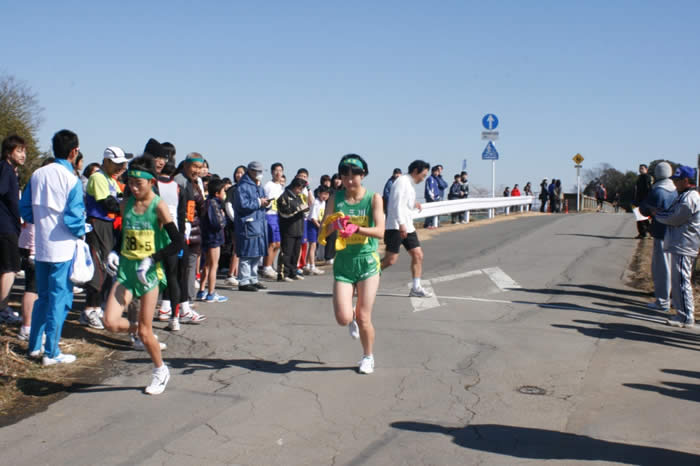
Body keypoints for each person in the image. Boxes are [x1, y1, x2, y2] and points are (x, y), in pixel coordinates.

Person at [103, 156, 185, 394]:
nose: (133, 187)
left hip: (148, 273)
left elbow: (177, 242)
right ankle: (140, 329)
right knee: (109, 321)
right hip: (126, 270)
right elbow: (124, 234)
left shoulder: (158, 206)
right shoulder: (126, 203)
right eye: (130, 182)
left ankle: (160, 370)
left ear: (151, 182)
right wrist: (114, 252)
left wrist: (152, 258)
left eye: (139, 183)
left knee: (146, 332)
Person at [19, 129, 85, 365]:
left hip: (42, 245)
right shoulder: (71, 179)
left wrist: (43, 220)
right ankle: (52, 352)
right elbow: (74, 219)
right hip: (63, 248)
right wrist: (82, 231)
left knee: (43, 298)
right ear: (74, 151)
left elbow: (24, 208)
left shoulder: (38, 174)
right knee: (59, 299)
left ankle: (34, 346)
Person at [321, 154, 385, 374]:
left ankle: (368, 356)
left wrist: (357, 229)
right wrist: (334, 223)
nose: (349, 180)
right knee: (343, 318)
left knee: (364, 316)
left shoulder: (374, 198)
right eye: (345, 175)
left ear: (363, 175)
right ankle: (352, 319)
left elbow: (380, 232)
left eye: (354, 175)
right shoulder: (334, 198)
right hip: (344, 263)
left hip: (367, 261)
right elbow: (324, 228)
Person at [81, 146, 129, 329]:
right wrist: (129, 209)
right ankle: (89, 310)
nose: (120, 167)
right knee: (99, 267)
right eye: (116, 163)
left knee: (108, 268)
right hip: (98, 223)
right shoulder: (98, 177)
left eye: (122, 164)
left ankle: (97, 307)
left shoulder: (110, 179)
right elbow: (109, 203)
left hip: (109, 225)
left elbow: (119, 198)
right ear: (106, 161)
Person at [652, 165, 700, 329]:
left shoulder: (689, 198)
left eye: (677, 180)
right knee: (679, 280)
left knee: (681, 281)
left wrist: (657, 215)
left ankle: (686, 317)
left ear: (686, 181)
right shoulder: (686, 196)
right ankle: (682, 314)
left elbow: (675, 217)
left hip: (685, 244)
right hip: (682, 243)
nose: (675, 184)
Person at [381, 160, 433, 298]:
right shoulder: (402, 181)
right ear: (415, 171)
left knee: (418, 255)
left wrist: (414, 204)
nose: (424, 178)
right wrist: (401, 224)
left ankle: (416, 287)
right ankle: (364, 279)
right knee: (390, 260)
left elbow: (405, 202)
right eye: (423, 174)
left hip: (408, 226)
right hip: (396, 226)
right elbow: (396, 204)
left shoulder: (409, 184)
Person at [173, 153, 207, 323]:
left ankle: (184, 304)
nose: (198, 171)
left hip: (193, 229)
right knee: (183, 269)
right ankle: (180, 306)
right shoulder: (179, 181)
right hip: (183, 230)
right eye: (195, 167)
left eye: (200, 167)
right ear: (186, 165)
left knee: (189, 267)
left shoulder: (195, 182)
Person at [639, 162, 677, 312]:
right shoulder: (676, 190)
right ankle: (675, 299)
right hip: (676, 233)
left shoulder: (657, 191)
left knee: (661, 268)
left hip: (661, 232)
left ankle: (662, 300)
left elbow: (643, 208)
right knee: (674, 268)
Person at [0, 135, 26, 323]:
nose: (23, 154)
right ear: (9, 152)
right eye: (19, 150)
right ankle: (2, 309)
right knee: (9, 269)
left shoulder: (10, 171)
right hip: (6, 226)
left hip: (9, 224)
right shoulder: (6, 170)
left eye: (24, 150)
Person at [234, 161, 270, 291]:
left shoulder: (258, 186)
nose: (260, 174)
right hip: (248, 224)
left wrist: (266, 203)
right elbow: (242, 205)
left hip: (259, 223)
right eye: (257, 171)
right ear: (250, 171)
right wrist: (259, 202)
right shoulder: (243, 186)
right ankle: (243, 281)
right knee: (247, 254)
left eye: (261, 171)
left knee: (256, 253)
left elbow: (262, 201)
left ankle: (253, 279)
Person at [197, 178, 228, 302]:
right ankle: (211, 293)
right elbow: (218, 223)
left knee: (206, 265)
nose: (224, 194)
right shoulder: (214, 204)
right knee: (214, 265)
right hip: (214, 238)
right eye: (223, 191)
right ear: (217, 193)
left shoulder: (206, 202)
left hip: (205, 236)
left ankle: (201, 290)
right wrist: (224, 218)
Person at [277, 177, 309, 281]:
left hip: (298, 228)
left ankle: (292, 272)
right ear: (294, 186)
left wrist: (305, 209)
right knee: (286, 252)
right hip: (288, 229)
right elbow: (284, 213)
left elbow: (303, 209)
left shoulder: (298, 197)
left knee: (295, 253)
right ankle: (283, 274)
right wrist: (297, 209)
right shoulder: (284, 197)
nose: (300, 190)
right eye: (300, 188)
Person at [224, 165, 246, 286]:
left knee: (242, 249)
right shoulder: (233, 189)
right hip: (235, 223)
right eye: (237, 172)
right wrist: (235, 220)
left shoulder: (247, 189)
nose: (239, 175)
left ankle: (238, 274)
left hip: (246, 222)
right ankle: (231, 274)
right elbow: (228, 205)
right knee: (237, 248)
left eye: (242, 173)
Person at [261, 162, 284, 279]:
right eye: (276, 170)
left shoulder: (280, 186)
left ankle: (270, 266)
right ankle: (266, 267)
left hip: (278, 216)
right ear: (271, 172)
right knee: (272, 243)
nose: (278, 172)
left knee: (278, 244)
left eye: (280, 170)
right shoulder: (268, 185)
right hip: (269, 215)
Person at [307, 185, 329, 275]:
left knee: (313, 246)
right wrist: (320, 227)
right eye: (323, 194)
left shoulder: (323, 203)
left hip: (318, 225)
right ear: (319, 193)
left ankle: (307, 265)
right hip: (312, 225)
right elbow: (313, 218)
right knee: (313, 246)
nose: (325, 196)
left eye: (327, 194)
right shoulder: (315, 202)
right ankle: (312, 266)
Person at [634, 164, 653, 238]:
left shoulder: (647, 177)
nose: (640, 170)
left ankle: (649, 232)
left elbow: (649, 188)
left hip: (644, 200)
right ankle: (642, 233)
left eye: (642, 168)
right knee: (639, 218)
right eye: (640, 168)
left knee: (644, 218)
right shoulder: (639, 177)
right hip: (638, 199)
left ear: (646, 169)